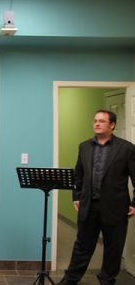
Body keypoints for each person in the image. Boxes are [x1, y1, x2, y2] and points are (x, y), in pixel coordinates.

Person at [58, 110, 135, 285]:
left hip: (116, 208)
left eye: (101, 121)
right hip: (89, 207)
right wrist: (76, 196)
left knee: (113, 249)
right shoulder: (84, 146)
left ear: (112, 125)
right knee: (82, 247)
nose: (97, 123)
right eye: (95, 121)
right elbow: (78, 174)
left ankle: (107, 280)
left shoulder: (127, 148)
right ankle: (70, 280)